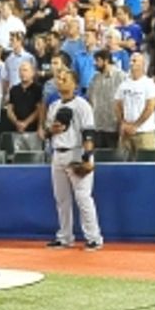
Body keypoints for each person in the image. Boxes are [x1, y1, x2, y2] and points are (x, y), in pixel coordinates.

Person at [43, 68, 103, 251]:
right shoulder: (54, 106)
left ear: (75, 84)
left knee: (83, 197)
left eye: (65, 78)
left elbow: (89, 133)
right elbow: (46, 133)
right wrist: (51, 131)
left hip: (76, 153)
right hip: (58, 153)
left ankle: (94, 238)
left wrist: (87, 158)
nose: (60, 80)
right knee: (61, 199)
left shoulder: (82, 105)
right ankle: (65, 237)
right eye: (58, 78)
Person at [115, 52, 155, 160]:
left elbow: (150, 107)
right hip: (126, 133)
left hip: (144, 132)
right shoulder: (123, 84)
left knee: (146, 164)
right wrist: (123, 123)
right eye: (131, 60)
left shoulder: (149, 84)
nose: (131, 63)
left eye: (135, 61)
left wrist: (136, 125)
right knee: (123, 164)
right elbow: (117, 104)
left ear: (143, 64)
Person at [88, 48, 125, 149]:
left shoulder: (121, 77)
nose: (95, 63)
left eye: (97, 61)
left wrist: (121, 122)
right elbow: (90, 99)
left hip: (114, 126)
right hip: (98, 126)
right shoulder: (95, 78)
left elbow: (124, 101)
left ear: (106, 61)